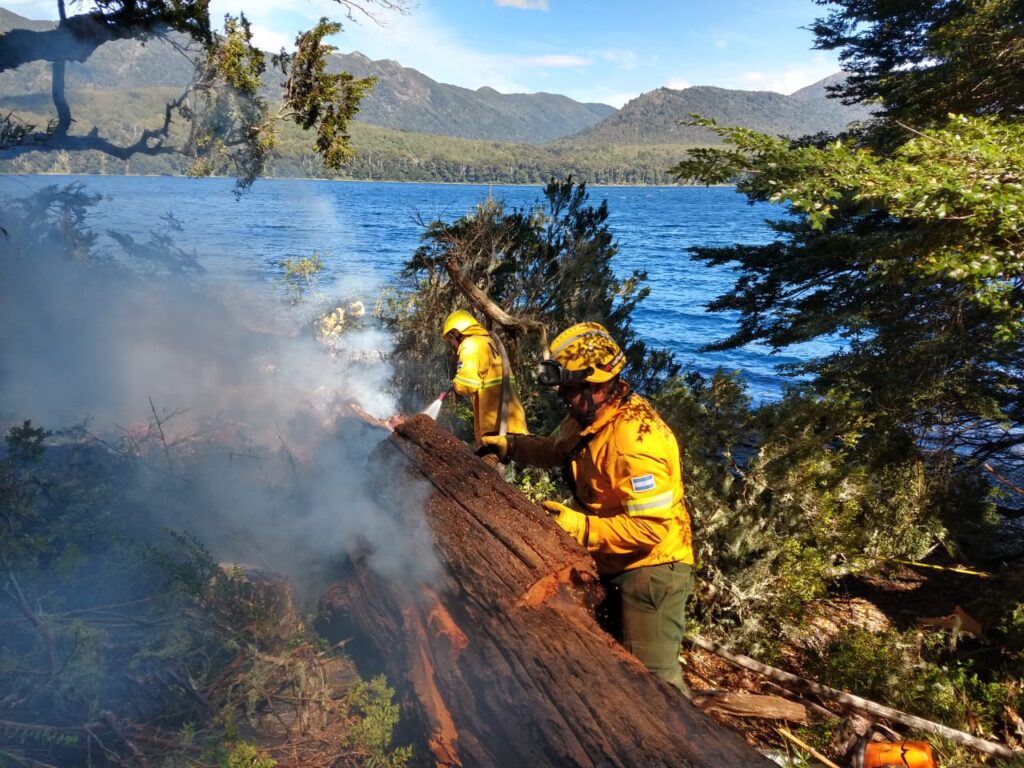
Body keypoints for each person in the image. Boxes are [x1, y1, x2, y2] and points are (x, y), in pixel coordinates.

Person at [479, 322, 694, 692]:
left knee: (657, 685)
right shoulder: (589, 415)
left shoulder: (636, 443)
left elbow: (649, 530)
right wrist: (510, 446)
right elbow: (556, 449)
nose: (564, 397)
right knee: (612, 665)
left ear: (598, 385)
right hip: (608, 556)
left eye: (571, 390)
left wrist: (582, 528)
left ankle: (689, 747)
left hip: (651, 570)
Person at [441, 310, 528, 462]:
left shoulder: (470, 345)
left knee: (485, 472)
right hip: (511, 421)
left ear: (456, 333)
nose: (452, 345)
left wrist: (455, 383)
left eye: (450, 339)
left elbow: (466, 385)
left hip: (495, 426)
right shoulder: (487, 342)